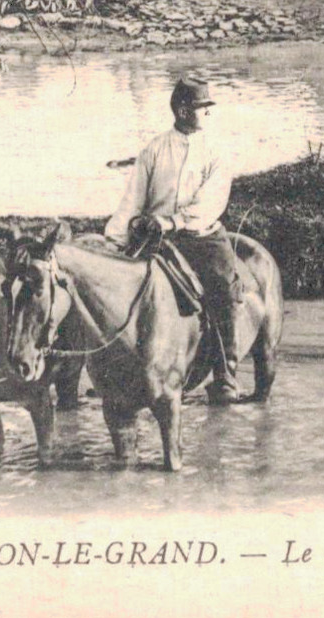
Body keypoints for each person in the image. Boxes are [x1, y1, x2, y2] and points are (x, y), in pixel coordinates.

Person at [105, 74, 246, 398]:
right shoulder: (154, 150)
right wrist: (114, 240)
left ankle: (226, 375)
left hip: (201, 236)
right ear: (182, 111)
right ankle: (118, 369)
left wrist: (173, 221)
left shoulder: (216, 151)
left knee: (223, 292)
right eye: (201, 107)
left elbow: (211, 202)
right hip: (154, 239)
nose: (207, 113)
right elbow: (132, 200)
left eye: (208, 107)